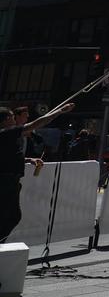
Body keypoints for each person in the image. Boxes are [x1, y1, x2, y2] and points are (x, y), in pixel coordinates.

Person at [1, 103, 74, 242]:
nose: (13, 120)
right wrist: (60, 111)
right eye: (11, 117)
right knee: (11, 217)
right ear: (4, 120)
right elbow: (35, 124)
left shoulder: (6, 135)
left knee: (11, 216)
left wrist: (28, 159)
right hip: (6, 181)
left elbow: (7, 157)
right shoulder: (6, 132)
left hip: (10, 180)